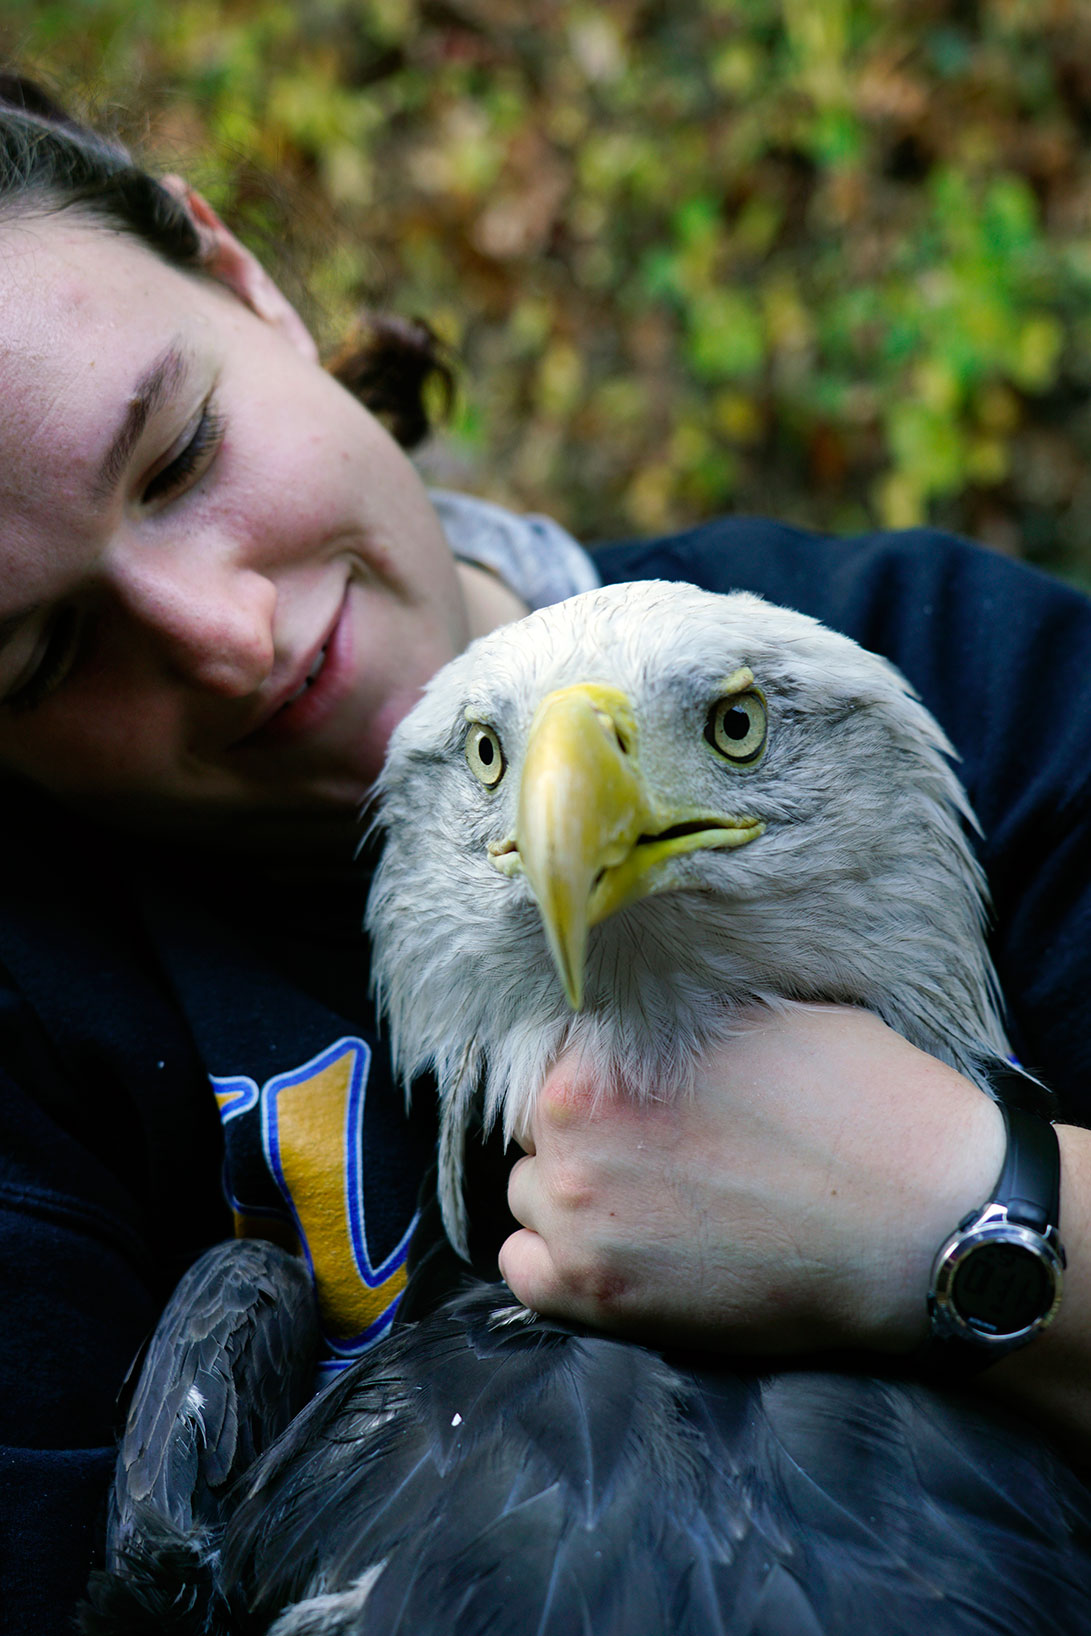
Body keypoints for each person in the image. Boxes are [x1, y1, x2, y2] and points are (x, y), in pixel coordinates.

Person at [1, 71, 1089, 1635]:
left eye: (178, 455)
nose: (228, 639)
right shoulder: (36, 1019)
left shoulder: (989, 675)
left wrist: (959, 1216)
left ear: (241, 278)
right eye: (41, 656)